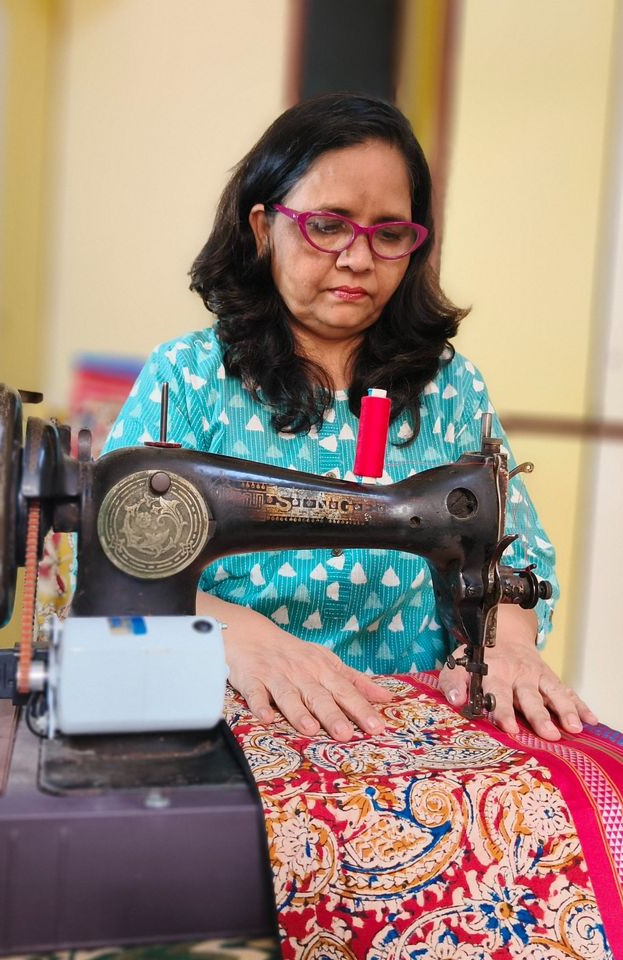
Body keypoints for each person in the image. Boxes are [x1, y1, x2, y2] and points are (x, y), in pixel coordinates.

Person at [103, 92, 596, 744]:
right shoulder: (189, 378)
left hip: (412, 717)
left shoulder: (448, 386)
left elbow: (513, 556)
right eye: (328, 226)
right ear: (263, 228)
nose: (359, 259)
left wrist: (504, 644)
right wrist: (233, 633)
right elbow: (114, 567)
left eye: (389, 234)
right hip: (231, 709)